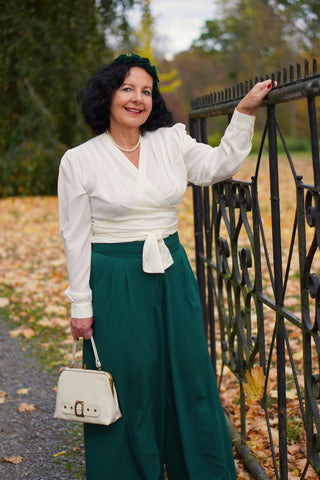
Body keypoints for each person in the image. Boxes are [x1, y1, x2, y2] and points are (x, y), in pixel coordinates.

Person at [58, 52, 273, 480]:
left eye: (146, 91)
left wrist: (244, 112)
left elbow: (217, 166)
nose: (137, 99)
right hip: (115, 278)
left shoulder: (171, 141)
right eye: (127, 89)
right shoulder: (79, 160)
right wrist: (81, 304)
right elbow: (76, 236)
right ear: (108, 95)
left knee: (188, 374)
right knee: (129, 380)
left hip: (172, 274)